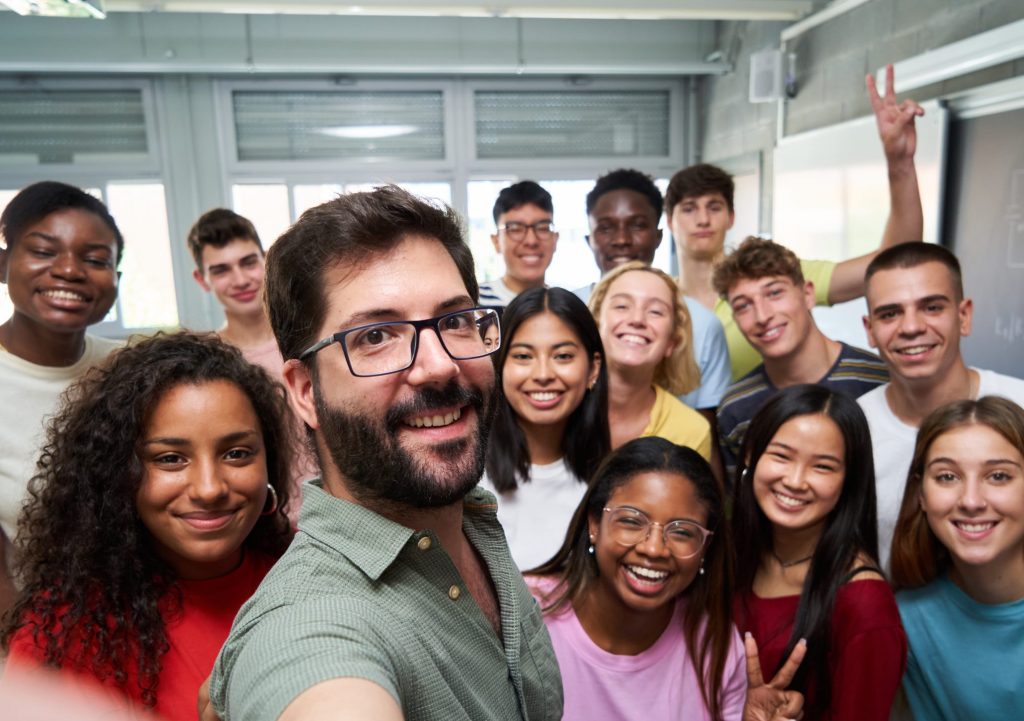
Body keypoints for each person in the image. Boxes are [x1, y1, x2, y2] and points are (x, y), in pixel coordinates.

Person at [207, 186, 562, 721]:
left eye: (456, 320)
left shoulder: (472, 519)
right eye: (375, 336)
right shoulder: (310, 625)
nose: (439, 365)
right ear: (306, 392)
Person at [1, 332, 293, 721]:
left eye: (237, 454)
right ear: (120, 474)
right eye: (171, 458)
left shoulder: (306, 583)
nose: (210, 488)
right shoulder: (62, 630)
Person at [665, 64, 924, 380]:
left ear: (731, 216)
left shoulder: (778, 275)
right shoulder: (659, 300)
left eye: (714, 207)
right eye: (689, 208)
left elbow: (896, 260)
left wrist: (900, 165)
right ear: (670, 220)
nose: (703, 219)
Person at [529, 436, 805, 721]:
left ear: (704, 548)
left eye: (682, 532)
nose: (654, 549)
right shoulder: (523, 615)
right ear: (594, 524)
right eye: (632, 521)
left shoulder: (715, 645)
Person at [732, 384, 906, 721]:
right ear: (752, 455)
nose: (796, 481)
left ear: (849, 480)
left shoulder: (863, 604)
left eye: (822, 466)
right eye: (782, 456)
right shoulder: (730, 555)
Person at [858, 242, 1024, 567]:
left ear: (963, 316)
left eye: (932, 307)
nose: (911, 327)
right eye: (890, 313)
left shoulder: (1020, 405)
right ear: (870, 331)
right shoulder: (853, 429)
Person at [0, 181, 123, 617]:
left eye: (94, 260)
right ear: (3, 263)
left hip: (151, 615)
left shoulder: (132, 369)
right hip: (37, 631)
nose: (69, 271)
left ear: (115, 281)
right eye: (44, 251)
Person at [890, 396, 1024, 721]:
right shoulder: (906, 621)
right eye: (947, 477)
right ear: (921, 494)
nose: (971, 501)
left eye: (998, 476)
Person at [713, 237, 888, 479]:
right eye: (743, 306)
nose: (762, 315)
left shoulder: (878, 380)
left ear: (808, 294)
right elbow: (742, 506)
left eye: (774, 293)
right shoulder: (735, 409)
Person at [188, 208, 317, 525]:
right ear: (202, 280)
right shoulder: (207, 362)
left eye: (248, 262)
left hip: (333, 514)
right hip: (262, 525)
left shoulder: (308, 338)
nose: (240, 280)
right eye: (221, 270)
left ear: (264, 259)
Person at [574, 168, 732, 419]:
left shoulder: (702, 324)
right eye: (606, 228)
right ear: (589, 239)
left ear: (658, 237)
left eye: (637, 225)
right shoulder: (566, 313)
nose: (622, 239)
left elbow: (705, 435)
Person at [479, 286, 610, 569]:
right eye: (523, 356)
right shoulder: (465, 475)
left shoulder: (612, 485)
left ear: (594, 369)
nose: (542, 375)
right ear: (500, 365)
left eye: (562, 356)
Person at [589, 261, 712, 461]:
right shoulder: (561, 406)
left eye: (655, 311)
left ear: (672, 341)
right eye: (622, 306)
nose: (637, 319)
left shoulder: (692, 432)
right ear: (596, 324)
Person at [478, 181, 558, 308]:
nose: (531, 241)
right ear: (496, 241)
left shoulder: (566, 306)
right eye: (515, 229)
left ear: (555, 239)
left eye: (542, 228)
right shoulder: (472, 305)